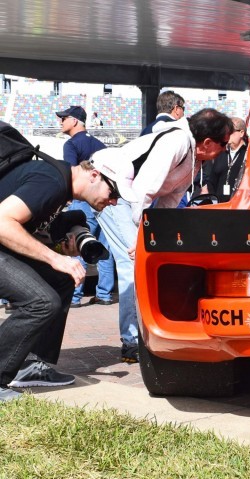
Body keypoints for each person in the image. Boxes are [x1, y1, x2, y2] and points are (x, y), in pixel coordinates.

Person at [97, 108, 233, 364]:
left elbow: (170, 198)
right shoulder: (177, 141)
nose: (225, 149)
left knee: (149, 261)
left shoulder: (196, 158)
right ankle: (131, 341)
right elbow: (143, 190)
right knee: (133, 263)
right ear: (207, 142)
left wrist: (156, 234)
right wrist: (142, 238)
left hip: (135, 198)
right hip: (116, 195)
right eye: (223, 144)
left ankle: (147, 331)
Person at [0, 144, 134, 402]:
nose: (114, 201)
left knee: (62, 280)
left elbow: (23, 232)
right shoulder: (51, 180)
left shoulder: (59, 186)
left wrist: (58, 248)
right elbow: (3, 222)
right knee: (40, 302)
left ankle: (33, 366)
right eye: (113, 190)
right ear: (94, 175)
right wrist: (54, 258)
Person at [55, 106, 117, 308]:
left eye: (64, 118)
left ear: (74, 121)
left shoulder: (71, 144)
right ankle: (104, 294)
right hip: (104, 201)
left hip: (83, 199)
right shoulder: (99, 144)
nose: (61, 121)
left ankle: (74, 296)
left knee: (81, 242)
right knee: (103, 247)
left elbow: (71, 175)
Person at [206, 117, 247, 203]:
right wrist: (214, 200)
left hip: (240, 206)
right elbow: (212, 181)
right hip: (220, 206)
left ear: (241, 133)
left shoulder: (248, 153)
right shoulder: (221, 152)